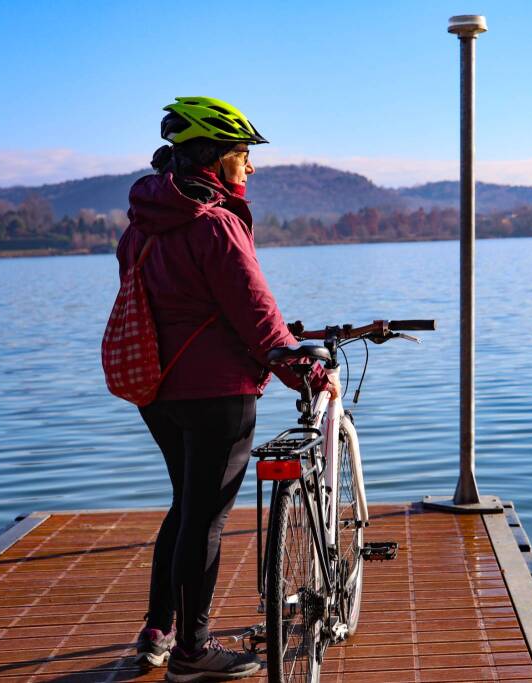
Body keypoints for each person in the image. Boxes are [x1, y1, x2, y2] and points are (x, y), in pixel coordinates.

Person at [121, 97, 330, 681]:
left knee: (186, 508)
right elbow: (254, 312)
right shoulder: (216, 224)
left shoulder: (140, 227)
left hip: (158, 389)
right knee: (206, 518)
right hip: (218, 392)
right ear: (214, 158)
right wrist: (305, 371)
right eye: (243, 154)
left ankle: (158, 629)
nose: (251, 166)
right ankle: (192, 651)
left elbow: (172, 307)